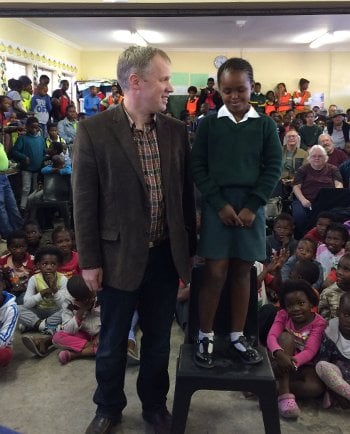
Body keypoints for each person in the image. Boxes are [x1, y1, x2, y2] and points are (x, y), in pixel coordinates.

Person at [72, 46, 196, 434]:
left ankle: (155, 407)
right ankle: (108, 407)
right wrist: (89, 261)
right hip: (116, 258)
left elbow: (185, 197)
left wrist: (188, 254)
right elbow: (84, 201)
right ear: (136, 82)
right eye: (163, 79)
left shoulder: (176, 131)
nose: (169, 87)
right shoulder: (94, 131)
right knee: (111, 342)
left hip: (163, 257)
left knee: (159, 342)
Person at [191, 57, 282, 369]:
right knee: (214, 273)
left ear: (251, 88)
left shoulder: (266, 124)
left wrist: (253, 205)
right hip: (218, 207)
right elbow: (197, 167)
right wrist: (218, 204)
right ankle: (205, 335)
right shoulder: (208, 123)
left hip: (251, 210)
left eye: (240, 90)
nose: (233, 96)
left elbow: (273, 167)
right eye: (226, 90)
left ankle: (237, 336)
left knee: (243, 272)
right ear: (218, 89)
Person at [267, 279, 326, 418]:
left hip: (302, 365)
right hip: (280, 360)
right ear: (285, 307)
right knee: (285, 338)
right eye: (290, 305)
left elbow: (310, 351)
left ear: (311, 303)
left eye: (301, 303)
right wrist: (279, 353)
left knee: (315, 388)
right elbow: (271, 336)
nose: (296, 309)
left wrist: (293, 362)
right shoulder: (283, 315)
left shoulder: (319, 323)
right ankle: (285, 396)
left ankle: (271, 389)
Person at [292, 144, 343, 239]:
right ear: (309, 158)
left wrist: (334, 197)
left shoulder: (333, 169)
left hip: (327, 201)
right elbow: (296, 187)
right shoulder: (302, 169)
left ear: (326, 158)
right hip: (305, 200)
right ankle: (305, 238)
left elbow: (339, 185)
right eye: (314, 156)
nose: (317, 158)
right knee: (299, 216)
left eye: (320, 156)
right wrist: (303, 200)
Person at [18, 246, 68, 334]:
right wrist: (42, 293)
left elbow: (63, 305)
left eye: (53, 264)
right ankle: (44, 326)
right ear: (38, 265)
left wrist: (55, 291)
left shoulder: (63, 279)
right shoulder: (34, 279)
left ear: (58, 265)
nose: (49, 267)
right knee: (16, 308)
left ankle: (35, 324)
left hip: (55, 311)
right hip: (39, 310)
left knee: (69, 310)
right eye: (45, 264)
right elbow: (26, 304)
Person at [316, 292, 350, 408]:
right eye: (346, 315)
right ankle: (341, 394)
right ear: (337, 312)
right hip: (338, 379)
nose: (349, 320)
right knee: (322, 366)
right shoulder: (330, 330)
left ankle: (338, 397)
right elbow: (322, 360)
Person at [11, 116, 46, 215]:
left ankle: (33, 208)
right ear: (27, 127)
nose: (34, 130)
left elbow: (43, 153)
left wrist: (43, 160)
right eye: (32, 127)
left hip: (37, 168)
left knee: (35, 189)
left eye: (36, 127)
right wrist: (24, 157)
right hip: (26, 168)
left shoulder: (41, 139)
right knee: (26, 188)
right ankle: (23, 208)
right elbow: (14, 151)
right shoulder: (22, 138)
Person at [0, 230, 35, 305]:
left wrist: (25, 288)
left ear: (27, 246)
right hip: (9, 290)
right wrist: (4, 274)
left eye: (22, 247)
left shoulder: (32, 261)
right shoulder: (3, 260)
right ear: (8, 248)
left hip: (28, 291)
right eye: (14, 247)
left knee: (21, 300)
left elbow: (37, 281)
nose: (18, 251)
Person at [0, 131, 23, 239]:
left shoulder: (0, 144)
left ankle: (19, 231)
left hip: (4, 176)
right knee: (1, 206)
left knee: (11, 204)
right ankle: (8, 235)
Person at [318, 253, 350, 321]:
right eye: (338, 267)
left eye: (346, 269)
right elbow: (322, 321)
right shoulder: (328, 293)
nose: (339, 272)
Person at [0, 273, 19, 369]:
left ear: (2, 285)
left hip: (2, 345)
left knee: (5, 354)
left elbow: (5, 338)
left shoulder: (11, 309)